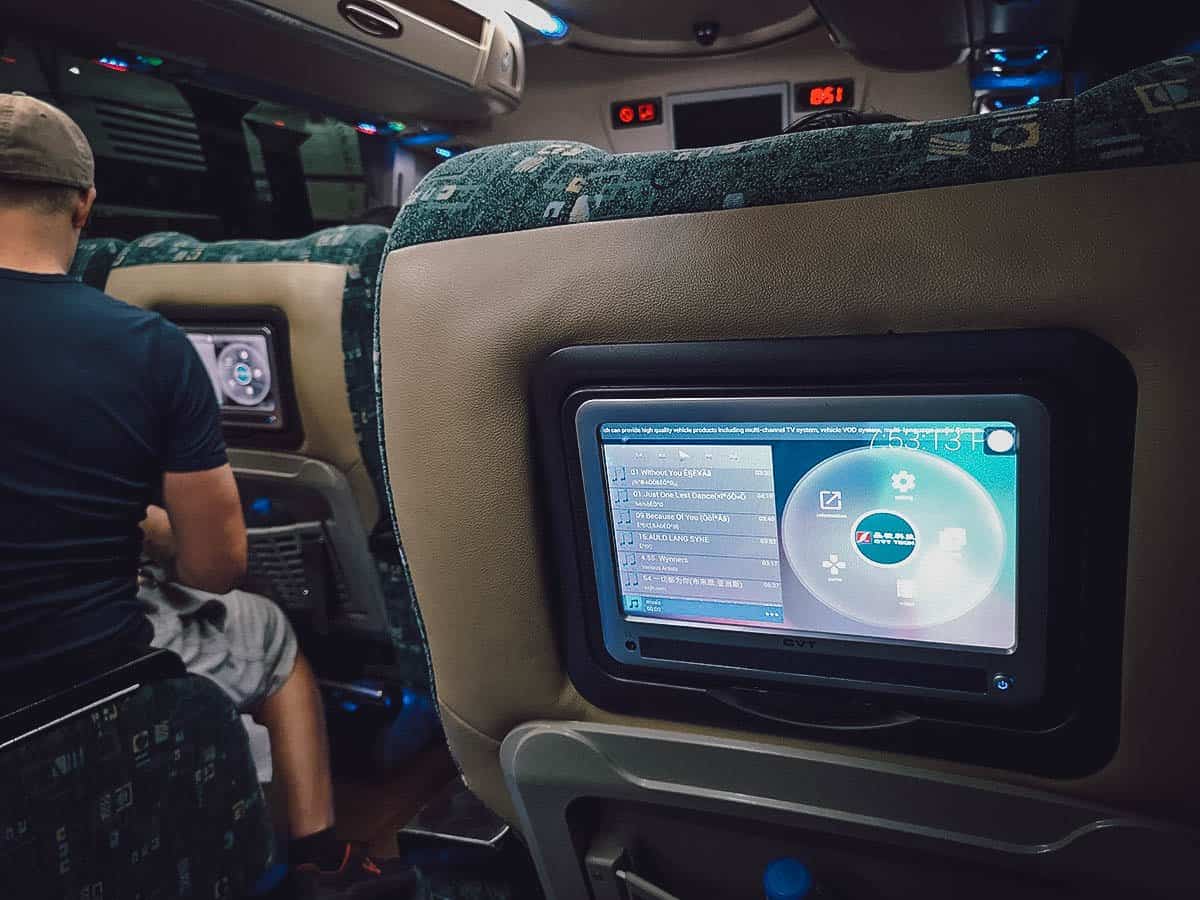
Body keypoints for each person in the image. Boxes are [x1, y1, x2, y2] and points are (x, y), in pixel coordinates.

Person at [0, 93, 410, 898]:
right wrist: (148, 532)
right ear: (84, 206)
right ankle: (319, 861)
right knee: (267, 633)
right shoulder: (144, 347)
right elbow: (218, 566)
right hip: (87, 668)